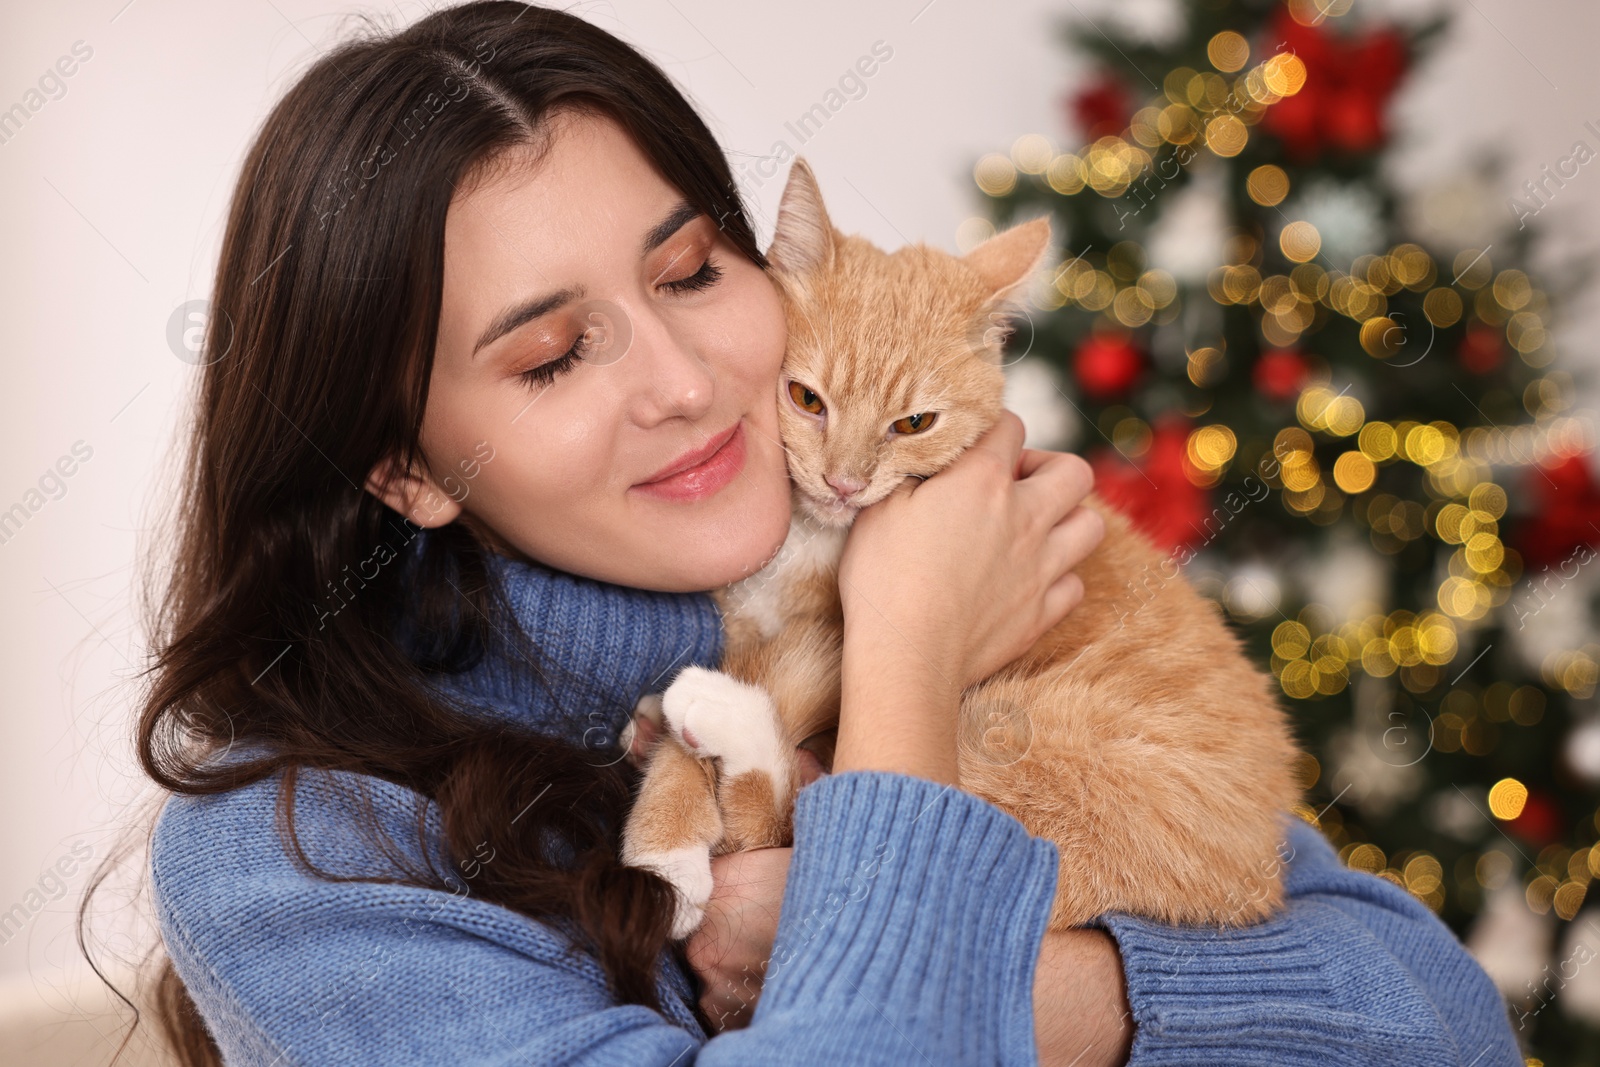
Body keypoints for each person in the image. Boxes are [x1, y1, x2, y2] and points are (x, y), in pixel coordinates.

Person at [123, 3, 1522, 1064]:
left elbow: (1446, 1017)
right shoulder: (288, 855)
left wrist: (1047, 991)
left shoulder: (969, 579)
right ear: (403, 470)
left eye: (691, 271)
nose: (684, 384)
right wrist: (910, 661)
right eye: (553, 356)